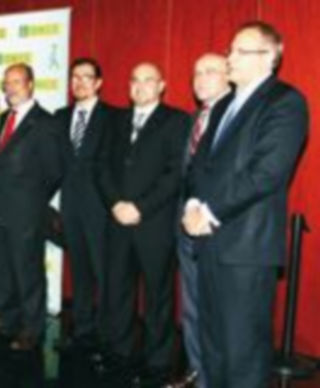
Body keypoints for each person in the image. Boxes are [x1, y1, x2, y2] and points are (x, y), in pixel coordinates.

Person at [183, 21, 307, 388]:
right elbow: (200, 165)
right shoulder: (223, 108)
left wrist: (209, 212)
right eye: (230, 50)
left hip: (246, 250)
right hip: (209, 247)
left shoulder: (285, 101)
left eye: (239, 51)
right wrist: (192, 203)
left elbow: (266, 172)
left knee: (243, 356)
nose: (230, 58)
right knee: (214, 349)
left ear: (269, 57)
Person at [97, 62, 190, 385]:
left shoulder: (177, 121)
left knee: (158, 296)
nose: (140, 86)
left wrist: (140, 207)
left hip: (154, 223)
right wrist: (115, 204)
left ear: (162, 85)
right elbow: (102, 166)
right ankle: (120, 352)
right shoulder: (116, 120)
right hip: (118, 220)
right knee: (118, 292)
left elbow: (175, 173)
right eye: (134, 80)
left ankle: (158, 360)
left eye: (148, 80)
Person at [0, 63, 65, 351]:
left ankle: (32, 329)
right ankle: (7, 321)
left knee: (29, 272)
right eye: (6, 83)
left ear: (31, 85)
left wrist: (32, 202)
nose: (10, 88)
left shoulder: (45, 122)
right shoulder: (3, 118)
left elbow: (55, 170)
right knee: (4, 271)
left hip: (27, 213)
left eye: (17, 82)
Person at [51, 58, 119, 357]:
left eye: (86, 77)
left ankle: (107, 337)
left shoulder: (114, 117)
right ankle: (82, 331)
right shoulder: (59, 116)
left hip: (101, 208)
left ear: (99, 82)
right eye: (74, 77)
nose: (79, 82)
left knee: (105, 274)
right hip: (70, 206)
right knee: (79, 273)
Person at [174, 53, 232, 388]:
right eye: (196, 72)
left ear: (229, 76)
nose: (200, 77)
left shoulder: (234, 117)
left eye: (210, 71)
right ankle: (198, 371)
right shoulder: (194, 118)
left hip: (218, 228)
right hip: (184, 228)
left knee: (218, 310)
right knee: (192, 306)